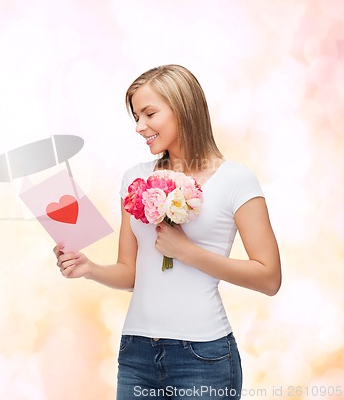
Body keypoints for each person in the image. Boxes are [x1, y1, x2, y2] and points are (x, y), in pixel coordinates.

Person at [54, 64, 281, 400]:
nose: (139, 127)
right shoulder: (135, 178)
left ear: (183, 108)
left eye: (149, 114)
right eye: (135, 117)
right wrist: (90, 269)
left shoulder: (236, 180)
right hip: (137, 352)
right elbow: (131, 273)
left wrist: (188, 252)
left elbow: (269, 277)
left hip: (203, 356)